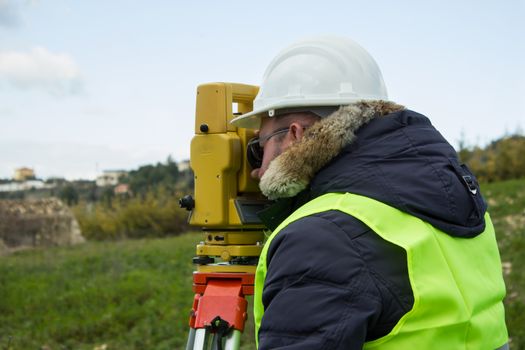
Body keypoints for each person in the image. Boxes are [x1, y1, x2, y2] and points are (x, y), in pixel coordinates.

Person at [231, 36, 508, 349]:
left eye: (259, 148)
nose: (256, 170)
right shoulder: (461, 199)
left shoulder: (321, 237)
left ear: (295, 134)